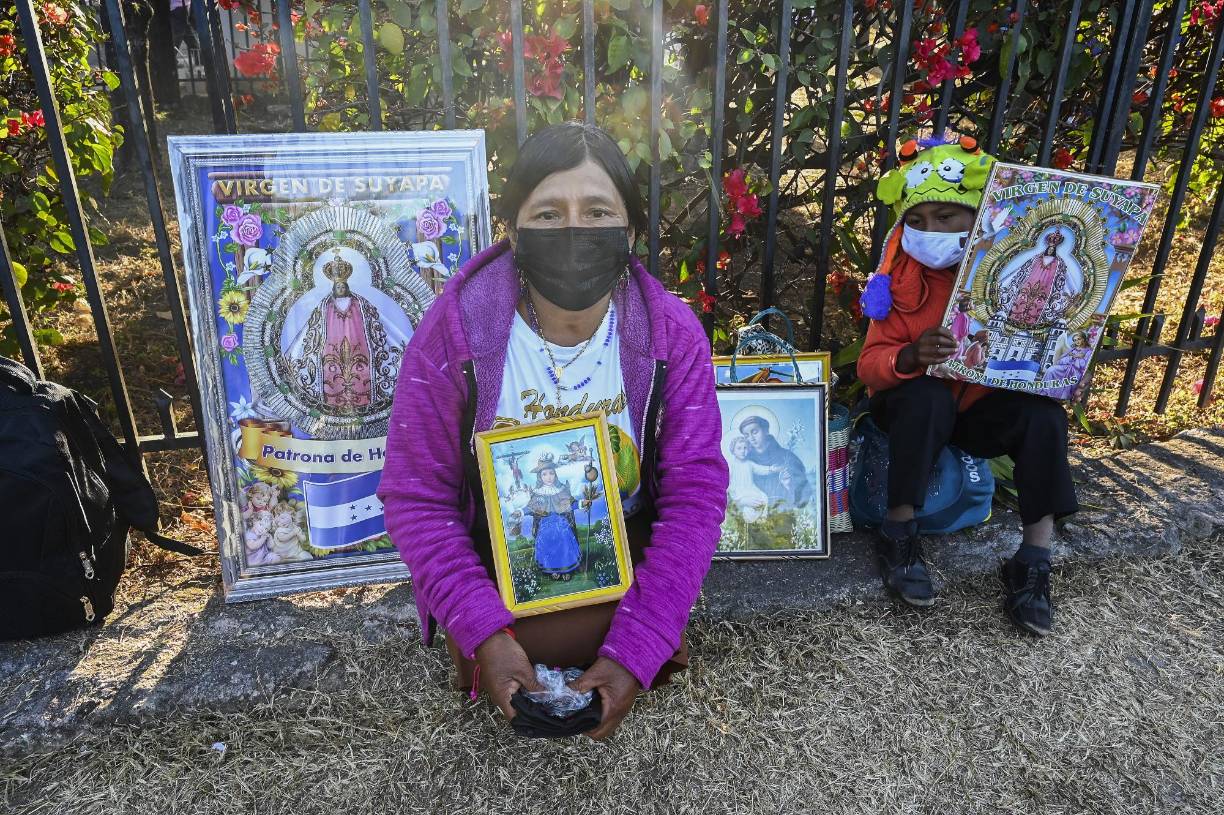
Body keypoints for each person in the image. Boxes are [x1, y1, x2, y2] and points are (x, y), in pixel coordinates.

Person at [378, 122, 728, 740]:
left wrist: (637, 646)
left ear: (631, 231)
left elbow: (694, 495)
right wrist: (483, 631)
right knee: (526, 632)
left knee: (619, 634)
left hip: (628, 565)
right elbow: (417, 497)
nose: (574, 230)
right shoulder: (454, 335)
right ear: (512, 230)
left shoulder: (671, 336)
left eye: (598, 211)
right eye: (548, 212)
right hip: (494, 572)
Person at [858, 133, 1078, 637]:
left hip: (978, 409)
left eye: (945, 218)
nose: (929, 230)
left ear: (975, 214)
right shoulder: (899, 277)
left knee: (1042, 414)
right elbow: (869, 366)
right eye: (916, 220)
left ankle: (1033, 559)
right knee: (929, 394)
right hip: (914, 407)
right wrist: (908, 357)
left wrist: (1058, 370)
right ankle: (899, 529)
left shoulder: (1009, 273)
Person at [524, 454, 581, 580]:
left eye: (551, 473)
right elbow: (530, 507)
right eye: (545, 474)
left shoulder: (560, 490)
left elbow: (571, 504)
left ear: (555, 474)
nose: (548, 477)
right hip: (545, 524)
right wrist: (520, 512)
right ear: (540, 476)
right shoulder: (538, 493)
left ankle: (566, 569)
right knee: (546, 538)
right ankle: (552, 569)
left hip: (560, 522)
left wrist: (583, 503)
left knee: (564, 536)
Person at [741, 414, 810, 509]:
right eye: (746, 435)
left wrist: (789, 485)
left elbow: (804, 493)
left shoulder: (788, 457)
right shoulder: (745, 462)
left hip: (783, 515)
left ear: (766, 430)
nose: (751, 438)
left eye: (755, 432)